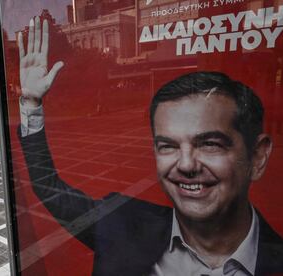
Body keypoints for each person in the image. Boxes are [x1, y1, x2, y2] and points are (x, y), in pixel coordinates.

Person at [18, 17, 283, 275]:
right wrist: (31, 103)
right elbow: (48, 187)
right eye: (168, 146)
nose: (187, 164)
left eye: (210, 144)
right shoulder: (120, 223)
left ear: (258, 157)